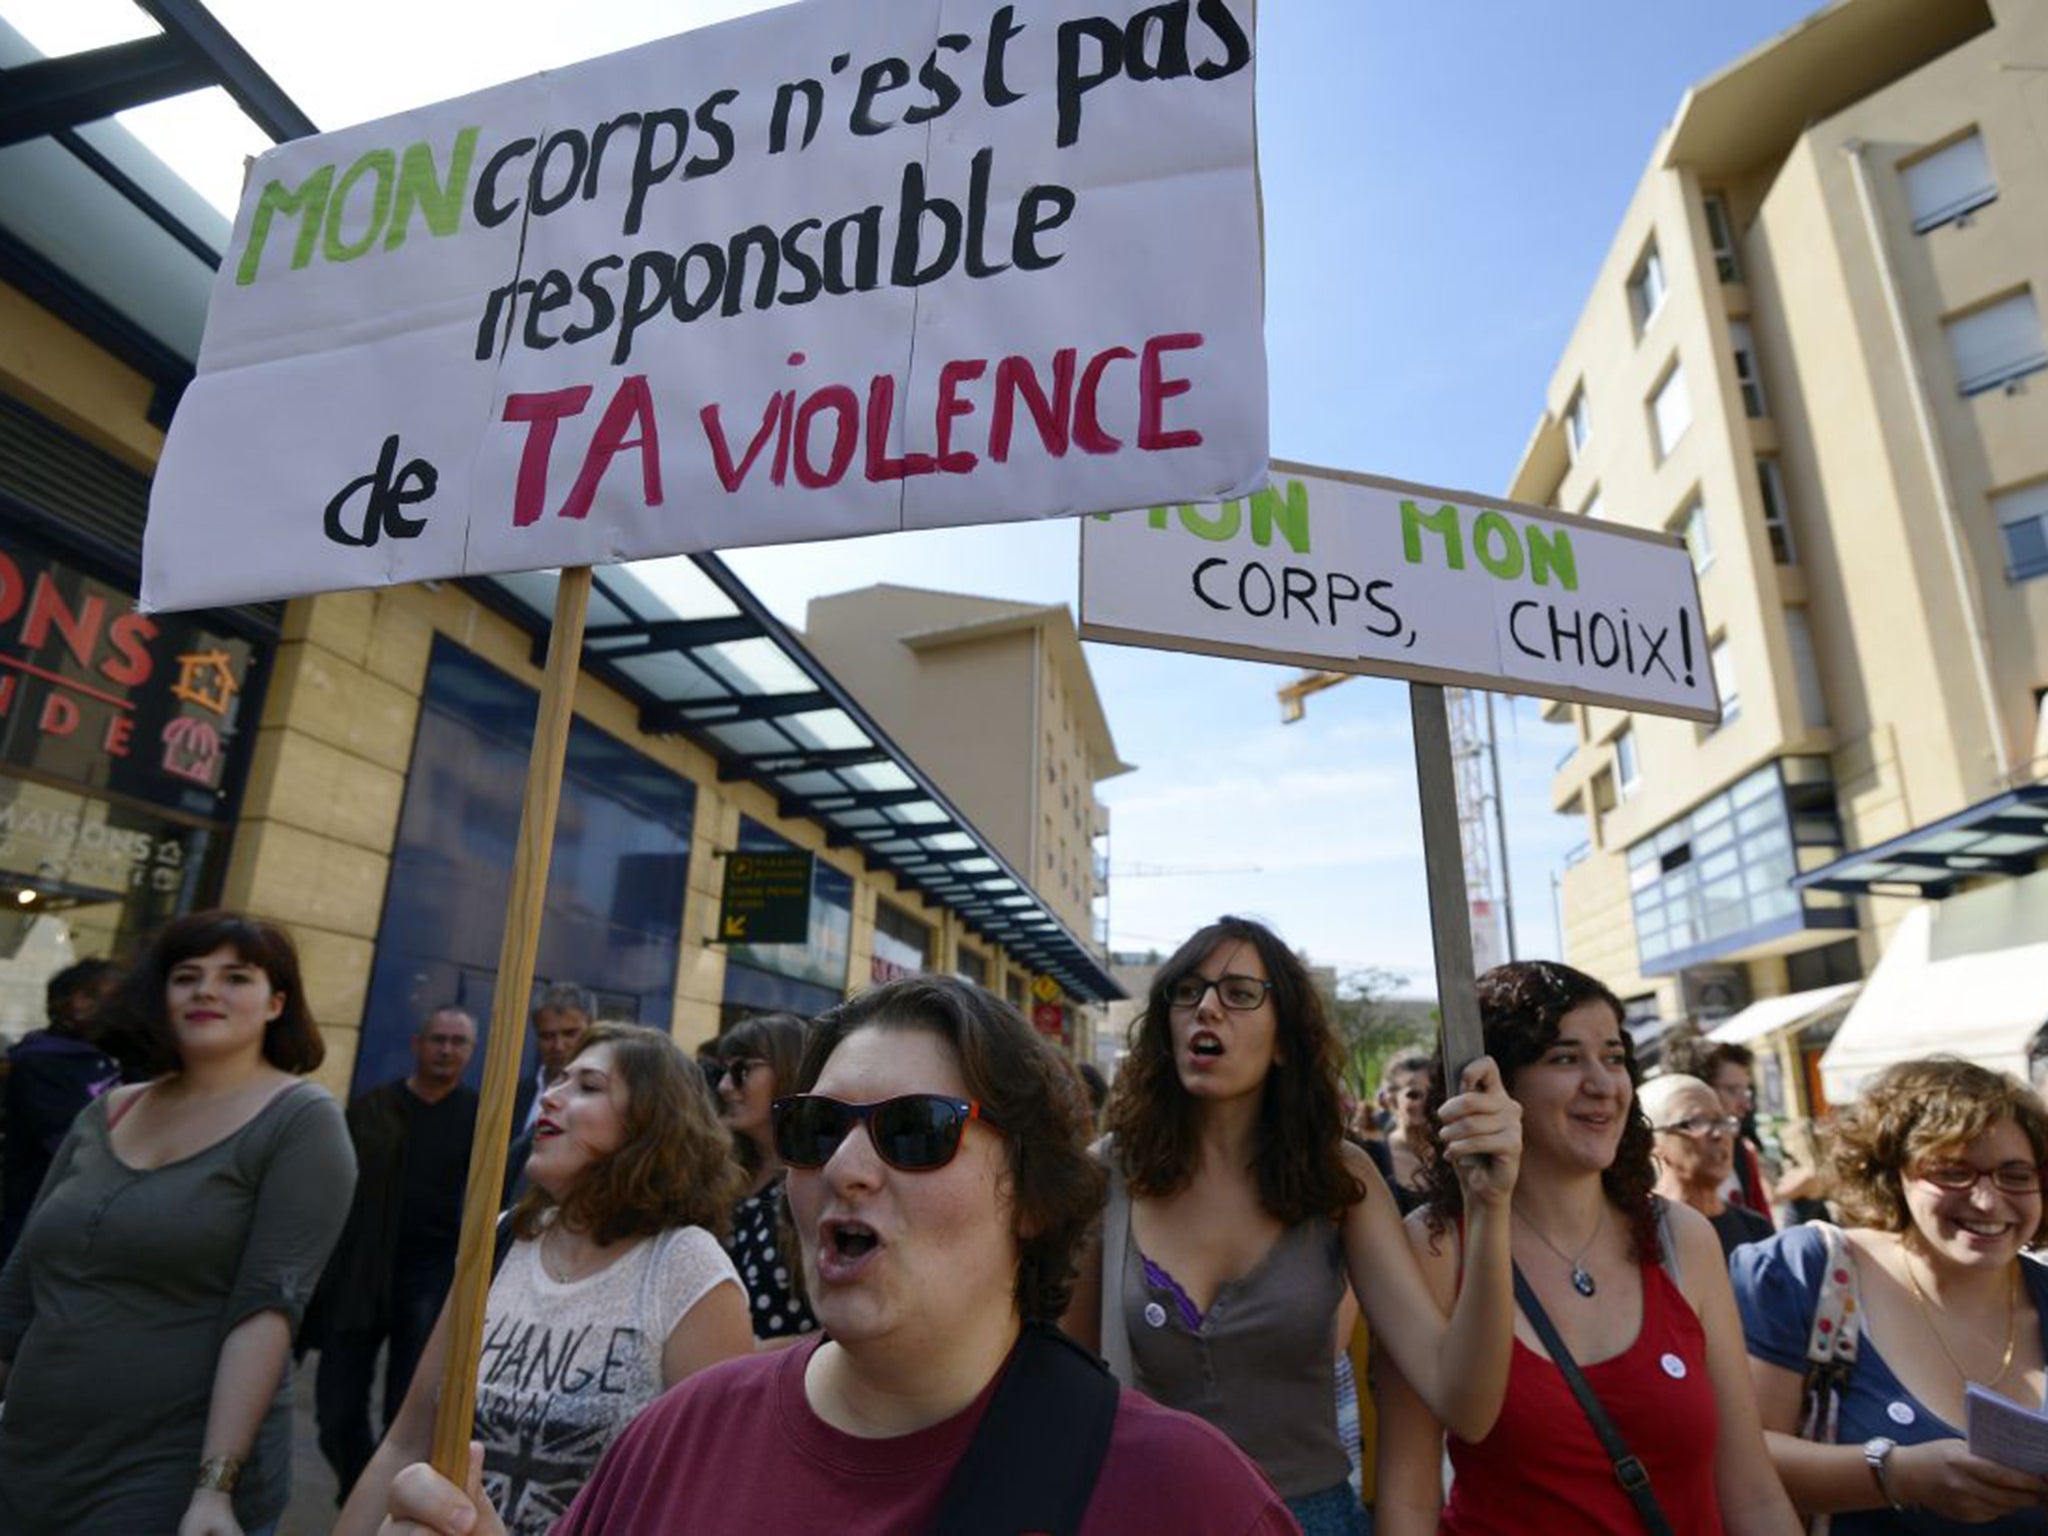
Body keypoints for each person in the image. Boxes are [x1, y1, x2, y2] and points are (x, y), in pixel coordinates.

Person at [374, 976, 1301, 1535]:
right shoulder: (678, 1436)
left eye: (915, 1129)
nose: (848, 1169)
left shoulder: (1188, 1496)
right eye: (819, 1127)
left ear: (1030, 1194)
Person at [1063, 915, 1525, 1536]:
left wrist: (1490, 1212)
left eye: (1239, 993)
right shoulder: (1110, 1175)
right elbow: (1064, 1386)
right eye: (1187, 990)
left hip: (1306, 1521)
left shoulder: (1341, 1179)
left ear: (1284, 1040)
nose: (1207, 1008)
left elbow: (1464, 1403)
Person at [1375, 960, 1800, 1536]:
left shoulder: (1681, 1238)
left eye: (1615, 1058)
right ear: (1491, 1085)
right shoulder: (1436, 1243)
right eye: (1565, 1058)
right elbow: (1408, 1502)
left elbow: (1752, 1491)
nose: (1603, 1084)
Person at [0, 910, 355, 1536]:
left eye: (235, 977)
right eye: (187, 975)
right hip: (30, 1453)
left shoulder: (301, 1121)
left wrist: (215, 1487)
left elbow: (267, 1310)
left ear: (276, 1004)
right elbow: (22, 1284)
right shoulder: (108, 1110)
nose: (206, 990)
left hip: (167, 1472)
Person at [337, 1022, 754, 1536]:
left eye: (588, 1086)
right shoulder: (502, 1239)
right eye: (558, 1080)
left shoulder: (688, 1270)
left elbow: (710, 1498)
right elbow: (406, 1441)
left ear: (652, 1122)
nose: (552, 1097)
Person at [1733, 1057, 2048, 1531]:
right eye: (1953, 1172)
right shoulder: (1805, 1272)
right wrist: (1895, 1473)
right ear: (1892, 1173)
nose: (1987, 1200)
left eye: (2016, 1174)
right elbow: (1741, 1457)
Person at [312, 1005, 481, 1499]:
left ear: (471, 1052)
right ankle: (359, 1487)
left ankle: (384, 1502)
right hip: (362, 1277)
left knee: (406, 1415)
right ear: (417, 1044)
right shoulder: (370, 1112)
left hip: (432, 1282)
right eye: (438, 1039)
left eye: (458, 1042)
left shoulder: (482, 1118)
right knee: (336, 1413)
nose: (446, 1050)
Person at [0, 956, 121, 1263]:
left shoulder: (111, 1058)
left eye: (96, 997)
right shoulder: (40, 1063)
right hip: (34, 1214)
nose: (80, 1005)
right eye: (76, 995)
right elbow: (69, 1144)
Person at [709, 1011, 820, 1341]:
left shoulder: (827, 1181)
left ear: (790, 1072)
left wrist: (746, 1362)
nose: (724, 1086)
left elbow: (853, 1332)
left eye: (741, 1070)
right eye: (722, 1071)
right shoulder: (719, 1175)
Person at [1641, 1072, 1773, 1261]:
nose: (1719, 1134)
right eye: (1696, 1122)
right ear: (1651, 1141)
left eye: (1723, 1121)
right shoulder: (1638, 1234)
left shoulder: (1756, 1229)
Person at [1668, 1035, 1775, 1220]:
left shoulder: (1743, 1152)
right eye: (1733, 1090)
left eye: (1746, 1091)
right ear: (1698, 1088)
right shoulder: (1663, 1162)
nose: (1745, 1104)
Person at [512, 983, 593, 1138]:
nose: (558, 1046)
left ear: (591, 1030)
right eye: (547, 1036)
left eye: (570, 1034)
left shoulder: (605, 1100)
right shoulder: (514, 1096)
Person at [1379, 1051, 1437, 1213]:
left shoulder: (1452, 1153)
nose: (1427, 1103)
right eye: (1414, 1094)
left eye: (1433, 1093)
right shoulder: (1375, 1157)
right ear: (1392, 1101)